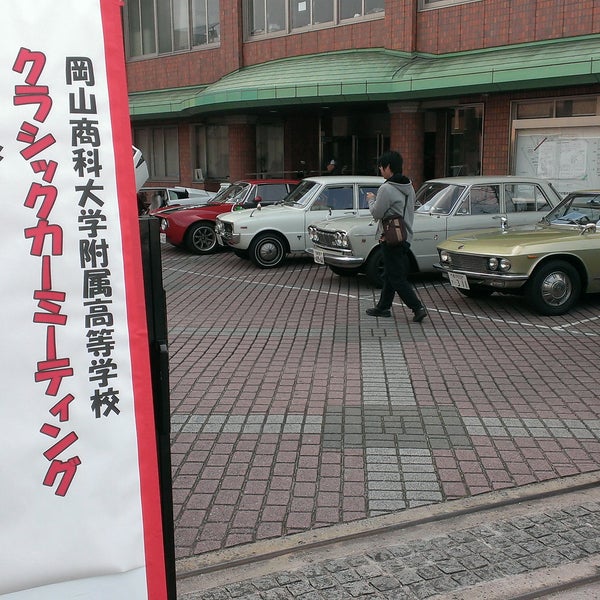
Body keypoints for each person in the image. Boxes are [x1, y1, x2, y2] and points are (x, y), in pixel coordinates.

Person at [365, 150, 427, 323]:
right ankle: (383, 307)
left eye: (381, 166)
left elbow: (377, 213)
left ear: (388, 167)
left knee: (396, 277)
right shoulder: (409, 186)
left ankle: (417, 307)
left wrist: (371, 199)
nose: (380, 169)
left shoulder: (386, 188)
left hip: (391, 238)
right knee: (390, 274)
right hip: (405, 236)